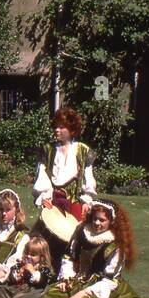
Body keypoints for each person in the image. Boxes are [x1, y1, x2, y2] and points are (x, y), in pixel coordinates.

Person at [33, 198, 149, 298]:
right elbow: (69, 257)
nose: (97, 223)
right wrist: (66, 278)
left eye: (102, 220)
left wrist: (84, 293)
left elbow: (110, 278)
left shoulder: (115, 244)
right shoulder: (81, 231)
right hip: (77, 280)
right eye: (95, 218)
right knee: (51, 295)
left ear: (112, 221)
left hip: (102, 286)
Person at [32, 106, 98, 264]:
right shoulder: (48, 150)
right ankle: (46, 268)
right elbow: (42, 175)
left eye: (62, 127)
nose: (57, 130)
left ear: (72, 129)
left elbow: (87, 177)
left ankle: (70, 271)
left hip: (74, 202)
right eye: (55, 126)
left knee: (73, 238)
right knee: (45, 237)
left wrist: (87, 200)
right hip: (52, 201)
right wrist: (43, 197)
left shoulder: (82, 150)